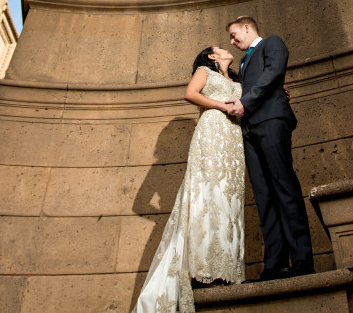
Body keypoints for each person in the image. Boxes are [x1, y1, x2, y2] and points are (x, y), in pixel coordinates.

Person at [132, 47, 246, 313]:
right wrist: (219, 105)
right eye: (219, 48)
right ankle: (204, 268)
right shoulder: (204, 71)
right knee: (210, 195)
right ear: (212, 57)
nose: (225, 47)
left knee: (229, 200)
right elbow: (190, 94)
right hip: (211, 132)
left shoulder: (239, 81)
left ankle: (227, 269)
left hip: (233, 141)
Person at [224, 16, 314, 280]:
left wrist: (246, 102)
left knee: (284, 188)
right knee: (264, 197)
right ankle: (275, 263)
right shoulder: (243, 61)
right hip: (249, 130)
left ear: (247, 27)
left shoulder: (272, 43)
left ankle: (302, 261)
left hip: (272, 121)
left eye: (233, 34)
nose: (232, 41)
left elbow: (274, 73)